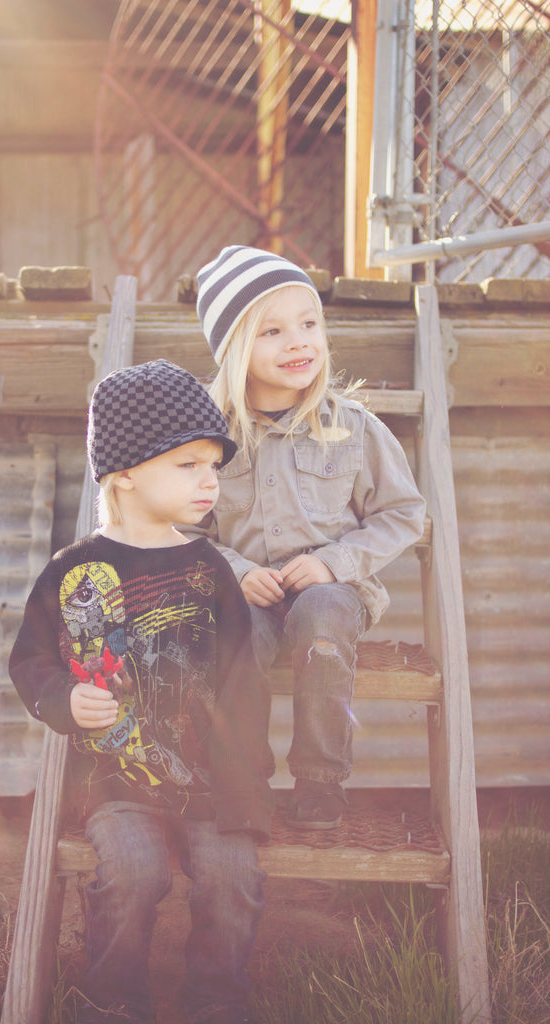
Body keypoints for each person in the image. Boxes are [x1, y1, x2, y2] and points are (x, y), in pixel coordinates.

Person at [9, 359, 272, 1024]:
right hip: (114, 779)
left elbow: (244, 676)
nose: (208, 480)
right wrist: (64, 699)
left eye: (213, 464)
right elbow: (31, 661)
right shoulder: (74, 573)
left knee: (232, 878)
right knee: (133, 873)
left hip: (212, 777)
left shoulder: (209, 567)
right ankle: (112, 1002)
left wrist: (245, 778)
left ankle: (217, 1001)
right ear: (124, 472)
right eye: (187, 464)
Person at [192, 245, 427, 830]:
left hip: (334, 595)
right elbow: (179, 530)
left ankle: (320, 781)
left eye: (309, 323)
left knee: (321, 617)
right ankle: (239, 780)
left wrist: (336, 561)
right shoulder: (208, 439)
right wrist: (236, 572)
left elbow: (404, 514)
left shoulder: (353, 429)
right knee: (232, 632)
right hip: (251, 594)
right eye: (273, 331)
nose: (299, 341)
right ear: (235, 351)